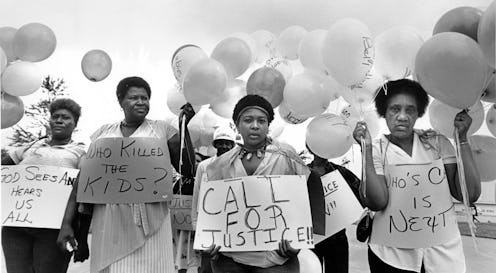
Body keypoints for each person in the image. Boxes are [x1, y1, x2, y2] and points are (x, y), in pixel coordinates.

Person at [57, 76, 196, 273]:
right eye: (133, 97)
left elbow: (188, 169)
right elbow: (84, 183)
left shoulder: (163, 130)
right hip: (108, 223)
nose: (140, 102)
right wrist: (68, 225)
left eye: (145, 97)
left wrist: (184, 126)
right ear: (120, 101)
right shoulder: (104, 134)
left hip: (151, 224)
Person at [352, 79, 481, 273]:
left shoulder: (437, 143)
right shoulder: (377, 149)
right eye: (395, 109)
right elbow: (377, 202)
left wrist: (462, 139)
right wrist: (366, 150)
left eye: (410, 110)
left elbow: (469, 194)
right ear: (384, 113)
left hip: (443, 255)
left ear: (418, 113)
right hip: (391, 255)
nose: (402, 116)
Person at [201, 94, 325, 273]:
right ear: (237, 124)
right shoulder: (221, 164)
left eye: (261, 121)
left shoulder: (286, 155)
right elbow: (210, 208)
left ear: (268, 125)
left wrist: (299, 241)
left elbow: (311, 192)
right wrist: (207, 241)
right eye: (248, 120)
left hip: (276, 261)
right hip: (229, 260)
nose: (255, 126)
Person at [1, 98, 86, 273]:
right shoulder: (30, 147)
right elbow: (3, 171)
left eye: (66, 117)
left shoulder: (80, 152)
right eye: (55, 116)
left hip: (53, 230)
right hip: (16, 227)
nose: (59, 120)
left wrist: (70, 226)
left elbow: (82, 189)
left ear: (75, 124)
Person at [306, 145, 362, 273]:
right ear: (310, 148)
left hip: (337, 239)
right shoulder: (302, 172)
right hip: (311, 239)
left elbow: (362, 194)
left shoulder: (341, 172)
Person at [191, 126, 237, 273]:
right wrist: (196, 225)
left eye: (227, 143)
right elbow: (197, 195)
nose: (224, 146)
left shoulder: (239, 165)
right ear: (215, 144)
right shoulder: (204, 166)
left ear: (232, 145)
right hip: (208, 222)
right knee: (207, 264)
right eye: (221, 142)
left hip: (232, 223)